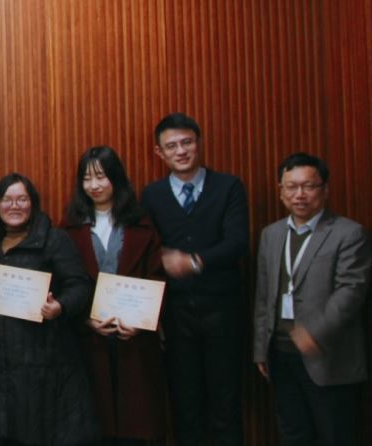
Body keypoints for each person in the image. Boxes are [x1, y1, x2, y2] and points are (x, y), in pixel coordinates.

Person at [139, 113, 249, 445]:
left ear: (199, 143)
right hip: (176, 316)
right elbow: (149, 252)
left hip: (223, 311)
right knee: (185, 406)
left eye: (187, 142)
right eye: (171, 146)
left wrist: (195, 262)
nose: (181, 151)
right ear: (159, 153)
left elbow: (238, 242)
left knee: (226, 404)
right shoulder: (152, 195)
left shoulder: (228, 186)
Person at [252, 153, 372, 446]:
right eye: (291, 186)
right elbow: (264, 294)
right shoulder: (271, 234)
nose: (300, 194)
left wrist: (314, 333)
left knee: (335, 436)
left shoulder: (348, 233)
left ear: (325, 190)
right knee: (293, 435)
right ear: (280, 191)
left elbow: (351, 291)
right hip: (280, 354)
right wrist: (260, 349)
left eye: (308, 186)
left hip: (328, 356)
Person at [0, 173, 97, 445]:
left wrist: (60, 306)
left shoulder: (54, 240)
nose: (14, 206)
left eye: (22, 199)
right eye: (7, 200)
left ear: (33, 203)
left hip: (44, 358)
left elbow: (80, 285)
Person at [59, 147, 168, 444]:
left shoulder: (141, 224)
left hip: (135, 340)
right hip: (89, 341)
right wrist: (85, 319)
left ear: (116, 178)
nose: (94, 185)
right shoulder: (69, 228)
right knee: (95, 424)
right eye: (86, 178)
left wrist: (142, 321)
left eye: (101, 176)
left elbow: (157, 275)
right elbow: (62, 281)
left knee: (137, 424)